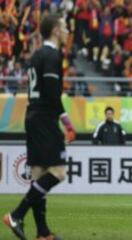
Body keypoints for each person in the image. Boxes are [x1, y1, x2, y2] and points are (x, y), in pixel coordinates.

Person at [3, 15, 76, 240]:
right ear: (54, 30)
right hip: (45, 117)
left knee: (39, 174)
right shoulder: (52, 55)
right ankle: (17, 214)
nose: (66, 31)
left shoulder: (35, 55)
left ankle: (42, 233)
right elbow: (53, 94)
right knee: (58, 172)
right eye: (64, 27)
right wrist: (66, 122)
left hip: (32, 115)